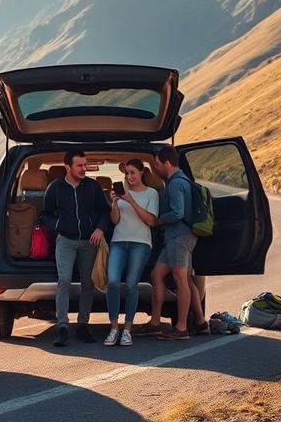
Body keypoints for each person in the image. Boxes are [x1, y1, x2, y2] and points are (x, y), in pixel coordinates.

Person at [132, 146, 206, 340]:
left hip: (178, 237)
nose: (155, 168)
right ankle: (195, 322)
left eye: (156, 164)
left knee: (181, 280)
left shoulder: (175, 184)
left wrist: (159, 221)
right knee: (158, 275)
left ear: (166, 163)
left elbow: (177, 213)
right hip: (177, 238)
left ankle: (181, 328)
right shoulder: (182, 180)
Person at [39, 150, 111, 346]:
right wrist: (59, 226)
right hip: (65, 242)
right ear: (68, 167)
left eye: (85, 165)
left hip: (90, 242)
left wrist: (99, 229)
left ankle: (82, 325)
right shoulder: (55, 188)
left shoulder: (92, 187)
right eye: (79, 165)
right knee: (64, 280)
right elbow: (45, 215)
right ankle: (62, 326)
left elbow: (105, 211)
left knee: (88, 283)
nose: (84, 169)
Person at [104, 159, 159, 346]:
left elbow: (151, 221)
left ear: (142, 172)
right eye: (127, 173)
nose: (129, 176)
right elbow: (115, 220)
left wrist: (130, 200)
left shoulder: (152, 194)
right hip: (119, 242)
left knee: (130, 285)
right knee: (112, 281)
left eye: (133, 172)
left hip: (141, 244)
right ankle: (113, 328)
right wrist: (115, 203)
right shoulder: (123, 194)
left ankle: (127, 330)